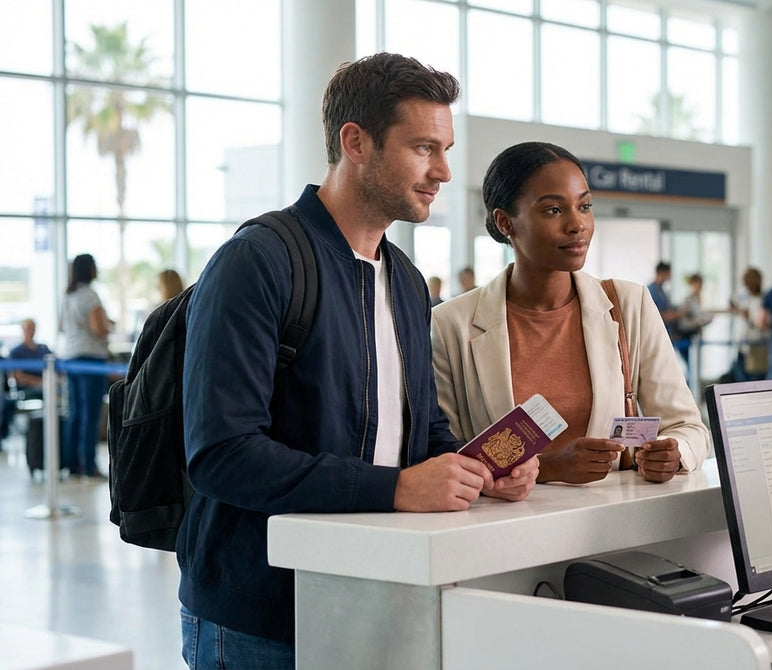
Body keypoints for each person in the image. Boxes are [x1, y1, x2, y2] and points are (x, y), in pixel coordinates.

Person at [178, 53, 537, 670]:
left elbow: (419, 430)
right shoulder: (259, 261)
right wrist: (395, 489)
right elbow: (221, 453)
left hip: (369, 596)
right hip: (261, 616)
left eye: (446, 149)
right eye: (424, 147)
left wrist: (472, 472)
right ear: (356, 142)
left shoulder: (404, 278)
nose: (444, 171)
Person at [431, 141, 709, 485]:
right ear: (506, 223)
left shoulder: (628, 304)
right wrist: (548, 467)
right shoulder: (450, 325)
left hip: (615, 525)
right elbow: (444, 454)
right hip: (504, 528)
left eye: (585, 206)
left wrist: (674, 452)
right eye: (553, 210)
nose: (578, 225)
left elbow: (688, 428)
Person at [59, 253, 111, 479]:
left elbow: (61, 327)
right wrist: (108, 325)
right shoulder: (90, 296)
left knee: (75, 412)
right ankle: (89, 466)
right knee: (91, 414)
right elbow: (99, 329)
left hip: (70, 357)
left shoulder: (67, 296)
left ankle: (73, 465)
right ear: (90, 269)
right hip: (90, 358)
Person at [728, 267, 768, 382]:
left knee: (755, 380)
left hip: (757, 345)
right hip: (742, 344)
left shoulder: (764, 299)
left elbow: (760, 323)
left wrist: (748, 315)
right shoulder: (745, 297)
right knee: (740, 378)